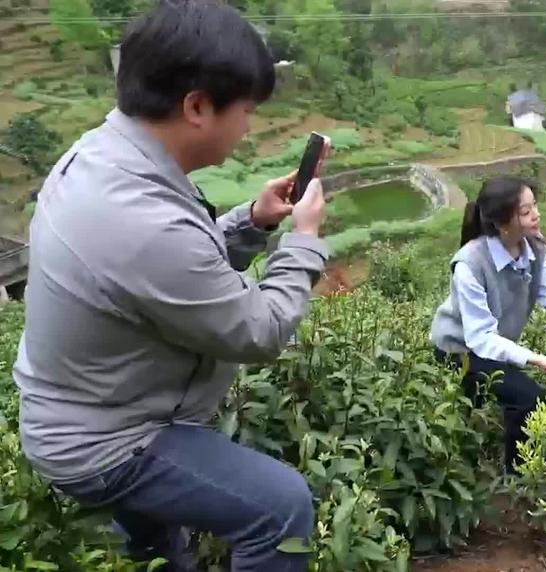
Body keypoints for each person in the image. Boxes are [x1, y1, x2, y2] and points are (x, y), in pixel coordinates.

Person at [13, 1, 329, 570]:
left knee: (157, 552)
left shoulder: (104, 158)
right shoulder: (140, 216)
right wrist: (304, 240)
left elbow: (171, 267)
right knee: (280, 508)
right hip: (109, 441)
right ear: (198, 106)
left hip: (88, 412)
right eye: (247, 111)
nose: (249, 128)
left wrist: (252, 222)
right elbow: (258, 331)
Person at [429, 175, 546, 473]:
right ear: (502, 223)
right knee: (529, 398)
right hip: (459, 349)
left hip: (494, 344)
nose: (536, 215)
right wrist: (537, 359)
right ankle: (516, 473)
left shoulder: (535, 249)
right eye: (526, 211)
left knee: (496, 395)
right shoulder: (470, 264)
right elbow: (480, 338)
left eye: (535, 206)